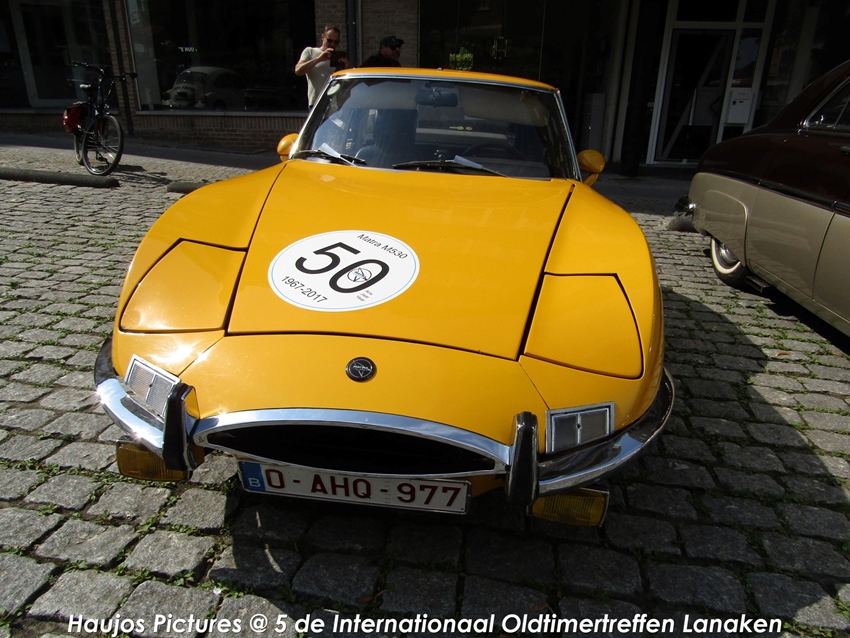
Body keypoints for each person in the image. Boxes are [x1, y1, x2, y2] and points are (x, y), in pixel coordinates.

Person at [295, 25, 349, 108]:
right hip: (316, 102)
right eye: (329, 40)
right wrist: (319, 59)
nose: (332, 44)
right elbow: (298, 70)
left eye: (336, 42)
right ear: (323, 37)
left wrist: (346, 68)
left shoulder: (337, 57)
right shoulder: (310, 51)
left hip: (334, 103)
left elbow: (343, 84)